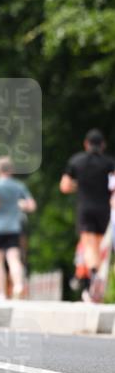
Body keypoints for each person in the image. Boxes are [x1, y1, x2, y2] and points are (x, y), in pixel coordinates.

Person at [60, 129, 115, 301]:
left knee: (88, 244)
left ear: (86, 144)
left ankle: (93, 275)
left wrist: (79, 185)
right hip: (104, 209)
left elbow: (64, 186)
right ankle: (94, 283)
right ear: (103, 145)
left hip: (85, 208)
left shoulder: (76, 161)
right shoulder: (110, 163)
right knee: (99, 246)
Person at [0, 157, 36, 300]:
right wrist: (20, 204)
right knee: (14, 258)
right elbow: (32, 206)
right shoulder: (19, 186)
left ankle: (1, 293)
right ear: (12, 170)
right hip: (14, 227)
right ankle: (18, 285)